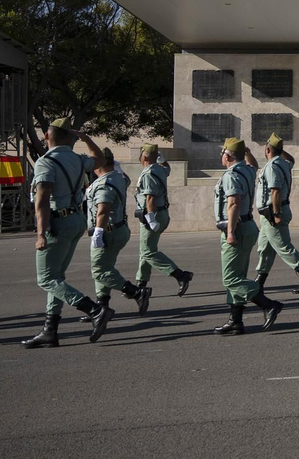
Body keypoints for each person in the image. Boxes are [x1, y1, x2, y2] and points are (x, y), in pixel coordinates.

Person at [22, 120, 112, 348]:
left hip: (57, 223)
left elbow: (42, 201)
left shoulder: (45, 162)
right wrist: (86, 138)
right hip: (75, 219)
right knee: (57, 277)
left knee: (46, 278)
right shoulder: (76, 158)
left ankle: (94, 309)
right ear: (68, 136)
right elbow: (100, 160)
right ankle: (49, 330)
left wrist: (41, 234)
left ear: (46, 136)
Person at [212, 137, 283, 335]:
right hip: (248, 225)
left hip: (237, 228)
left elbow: (233, 203)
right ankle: (235, 320)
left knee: (231, 279)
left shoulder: (231, 174)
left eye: (222, 153)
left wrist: (230, 232)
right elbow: (254, 164)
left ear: (227, 155)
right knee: (238, 275)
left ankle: (268, 305)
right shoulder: (247, 169)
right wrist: (248, 153)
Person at [84, 149, 150, 320]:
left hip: (107, 231)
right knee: (106, 268)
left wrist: (98, 233)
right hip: (118, 228)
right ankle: (102, 305)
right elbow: (126, 179)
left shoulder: (105, 183)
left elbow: (103, 210)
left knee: (99, 271)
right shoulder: (119, 177)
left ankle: (136, 292)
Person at [250, 134, 299, 293]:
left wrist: (276, 213)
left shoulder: (272, 166)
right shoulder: (284, 163)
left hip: (273, 212)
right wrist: (280, 151)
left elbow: (275, 191)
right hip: (270, 214)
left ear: (267, 149)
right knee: (264, 248)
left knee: (283, 246)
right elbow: (292, 160)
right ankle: (259, 281)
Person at [133, 143, 193, 296]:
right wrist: (163, 159)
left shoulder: (148, 173)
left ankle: (180, 275)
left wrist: (151, 218)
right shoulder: (159, 169)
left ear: (144, 157)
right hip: (161, 213)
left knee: (147, 252)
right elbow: (168, 169)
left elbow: (150, 197)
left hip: (152, 214)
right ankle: (141, 283)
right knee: (146, 250)